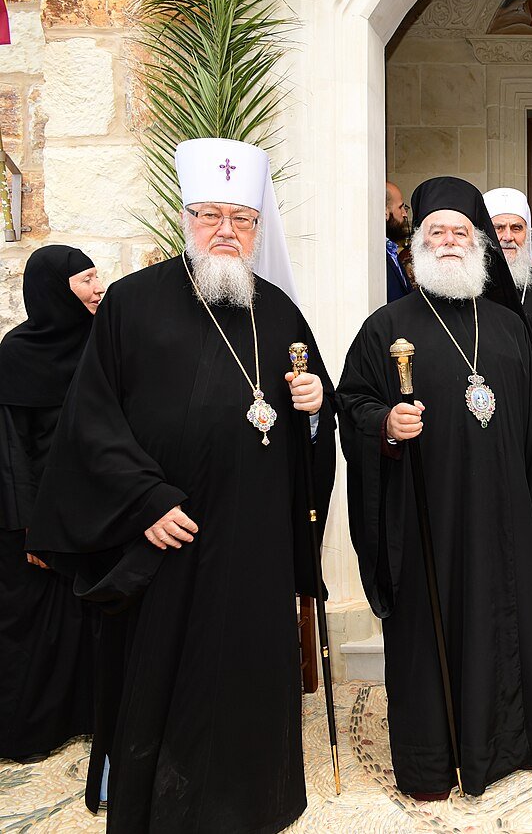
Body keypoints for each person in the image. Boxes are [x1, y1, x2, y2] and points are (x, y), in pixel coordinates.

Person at [27, 138, 337, 832]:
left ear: (259, 227)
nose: (226, 230)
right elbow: (91, 423)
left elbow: (309, 426)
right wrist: (145, 500)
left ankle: (255, 805)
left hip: (255, 546)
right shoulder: (132, 305)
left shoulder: (280, 312)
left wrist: (316, 409)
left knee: (250, 684)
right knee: (166, 687)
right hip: (168, 546)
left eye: (243, 218)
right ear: (184, 217)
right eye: (211, 215)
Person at [337, 176, 532, 800]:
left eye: (460, 233)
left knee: (506, 626)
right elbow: (353, 403)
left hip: (503, 519)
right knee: (430, 634)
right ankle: (431, 762)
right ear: (416, 244)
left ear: (480, 247)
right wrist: (385, 424)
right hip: (426, 524)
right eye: (435, 232)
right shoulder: (386, 326)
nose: (448, 242)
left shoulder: (507, 326)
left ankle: (508, 746)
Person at [0, 246, 101, 763]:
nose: (97, 287)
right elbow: (10, 452)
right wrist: (32, 529)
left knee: (86, 620)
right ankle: (31, 731)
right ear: (53, 289)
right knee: (36, 625)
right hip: (33, 517)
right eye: (85, 279)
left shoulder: (100, 345)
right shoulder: (15, 354)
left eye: (96, 276)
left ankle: (85, 718)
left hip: (90, 509)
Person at [484, 187, 532, 358]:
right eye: (499, 228)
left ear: (528, 234)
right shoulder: (471, 285)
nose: (508, 237)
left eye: (517, 228)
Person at [387, 181, 413, 303]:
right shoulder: (374, 256)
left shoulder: (390, 249)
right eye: (400, 207)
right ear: (385, 212)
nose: (404, 214)